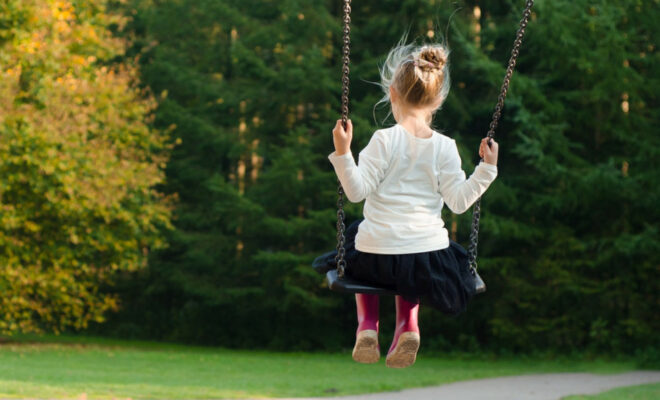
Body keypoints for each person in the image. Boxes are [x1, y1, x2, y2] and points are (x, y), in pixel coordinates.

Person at [316, 37, 499, 369]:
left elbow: (355, 192)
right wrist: (486, 169)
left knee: (359, 239)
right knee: (413, 259)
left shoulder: (383, 140)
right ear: (438, 100)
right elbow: (459, 203)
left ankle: (367, 326)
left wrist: (343, 152)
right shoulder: (446, 147)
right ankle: (408, 326)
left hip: (376, 257)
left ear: (392, 94)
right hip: (426, 259)